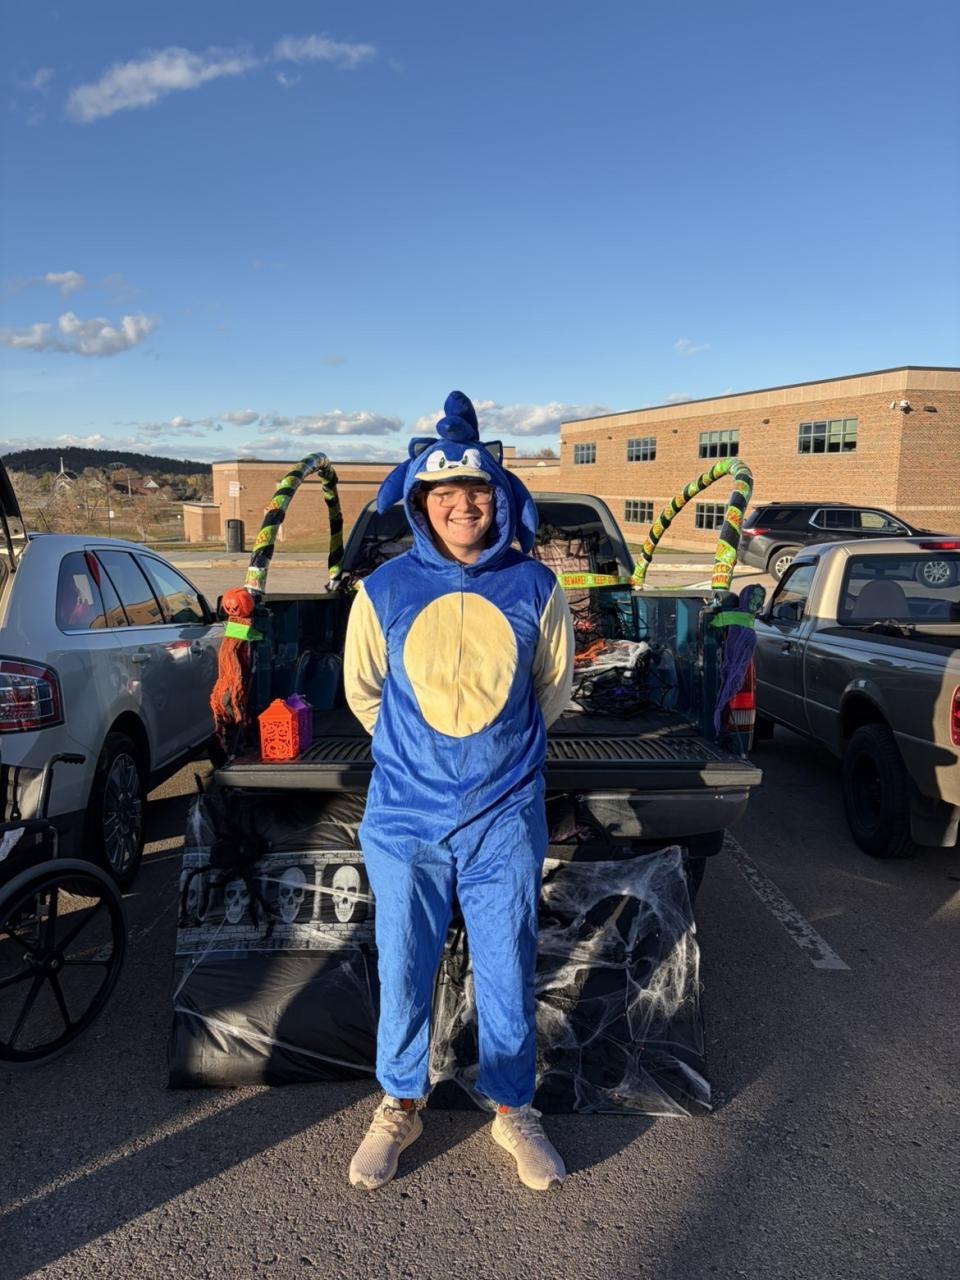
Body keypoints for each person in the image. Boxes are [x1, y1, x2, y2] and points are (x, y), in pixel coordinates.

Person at [343, 390, 574, 1192]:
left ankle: (513, 1108)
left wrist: (491, 756)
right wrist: (422, 758)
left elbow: (551, 691)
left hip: (503, 815)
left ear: (498, 497)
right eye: (445, 494)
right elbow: (365, 693)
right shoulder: (383, 590)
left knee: (507, 964)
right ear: (421, 502)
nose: (462, 506)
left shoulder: (536, 587)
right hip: (405, 815)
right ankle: (399, 1103)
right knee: (404, 963)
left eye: (476, 491)